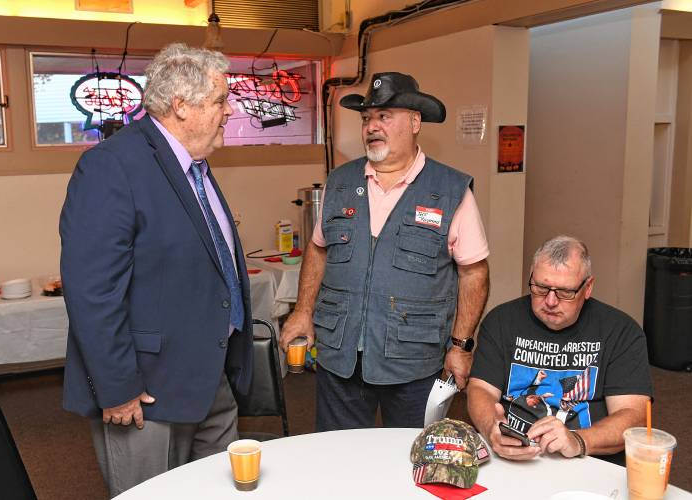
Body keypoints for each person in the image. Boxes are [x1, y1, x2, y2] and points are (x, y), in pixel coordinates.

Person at [60, 43, 253, 496]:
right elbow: (92, 292)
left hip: (208, 375)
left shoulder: (195, 166)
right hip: (145, 392)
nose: (230, 112)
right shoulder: (111, 166)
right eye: (221, 101)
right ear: (181, 106)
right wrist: (118, 387)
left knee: (220, 490)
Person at [279, 72, 490, 430]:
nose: (372, 127)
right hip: (341, 355)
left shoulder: (451, 190)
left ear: (415, 121)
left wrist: (461, 346)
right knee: (337, 457)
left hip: (414, 360)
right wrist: (302, 311)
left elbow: (474, 273)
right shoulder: (340, 182)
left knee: (410, 461)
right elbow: (318, 250)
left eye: (384, 116)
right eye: (366, 119)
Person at [467, 235, 652, 463]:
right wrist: (491, 428)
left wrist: (578, 441)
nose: (551, 301)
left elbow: (634, 416)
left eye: (565, 292)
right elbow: (480, 390)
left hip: (588, 461)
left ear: (587, 287)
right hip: (512, 457)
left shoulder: (621, 331)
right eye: (541, 288)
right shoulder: (501, 321)